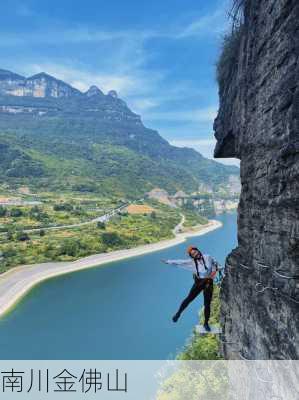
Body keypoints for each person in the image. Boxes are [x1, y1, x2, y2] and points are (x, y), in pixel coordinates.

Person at [164, 246, 222, 332]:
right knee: (189, 299)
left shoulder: (208, 257)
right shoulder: (192, 263)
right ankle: (178, 313)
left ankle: (206, 323)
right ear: (192, 256)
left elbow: (215, 264)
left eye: (196, 252)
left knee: (207, 304)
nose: (196, 254)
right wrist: (168, 262)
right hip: (199, 282)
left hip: (208, 282)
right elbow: (180, 262)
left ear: (199, 251)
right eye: (193, 254)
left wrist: (216, 270)